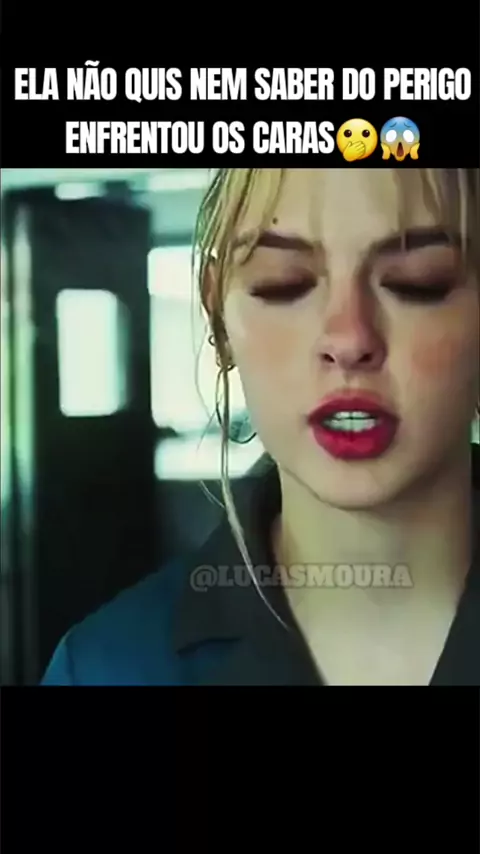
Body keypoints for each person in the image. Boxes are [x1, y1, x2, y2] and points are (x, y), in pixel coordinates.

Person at [41, 168, 480, 686]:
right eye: (283, 285)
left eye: (417, 283)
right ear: (217, 316)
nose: (348, 339)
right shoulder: (104, 671)